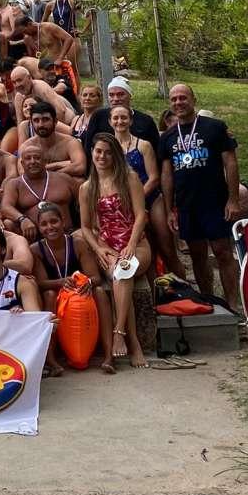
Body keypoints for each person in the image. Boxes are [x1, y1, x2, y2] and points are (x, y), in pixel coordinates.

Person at [158, 84, 245, 310]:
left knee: (223, 252)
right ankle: (209, 302)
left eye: (183, 98)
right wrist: (169, 209)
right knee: (197, 256)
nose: (178, 102)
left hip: (215, 201)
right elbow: (166, 175)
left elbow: (230, 163)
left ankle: (233, 305)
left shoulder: (215, 127)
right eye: (174, 99)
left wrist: (233, 199)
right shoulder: (168, 137)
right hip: (187, 205)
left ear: (193, 100)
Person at [80, 133, 150, 366]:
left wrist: (131, 244)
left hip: (136, 243)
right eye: (98, 151)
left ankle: (119, 333)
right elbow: (85, 227)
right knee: (122, 274)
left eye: (108, 152)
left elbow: (141, 215)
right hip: (108, 246)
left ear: (115, 155)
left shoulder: (129, 178)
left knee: (124, 269)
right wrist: (98, 249)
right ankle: (133, 343)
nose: (102, 156)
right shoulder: (87, 188)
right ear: (92, 152)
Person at [30, 201, 116, 374]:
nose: (50, 227)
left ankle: (109, 356)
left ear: (63, 221)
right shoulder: (36, 250)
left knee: (99, 292)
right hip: (56, 295)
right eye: (44, 224)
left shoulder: (77, 244)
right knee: (48, 295)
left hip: (79, 294)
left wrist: (87, 283)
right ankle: (51, 359)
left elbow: (95, 277)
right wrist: (60, 282)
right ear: (39, 227)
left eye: (54, 221)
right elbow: (41, 283)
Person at [111, 101, 183, 274]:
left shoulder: (143, 145)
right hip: (124, 205)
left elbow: (154, 177)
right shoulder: (108, 148)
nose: (120, 121)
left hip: (150, 198)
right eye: (116, 118)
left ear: (131, 120)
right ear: (110, 121)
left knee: (166, 248)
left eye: (124, 118)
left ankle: (182, 283)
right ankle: (155, 288)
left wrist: (135, 200)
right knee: (146, 252)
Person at [84, 76, 161, 156]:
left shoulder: (145, 121)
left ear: (130, 96)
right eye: (111, 95)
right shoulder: (99, 116)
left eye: (120, 94)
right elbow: (88, 147)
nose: (116, 99)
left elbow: (156, 151)